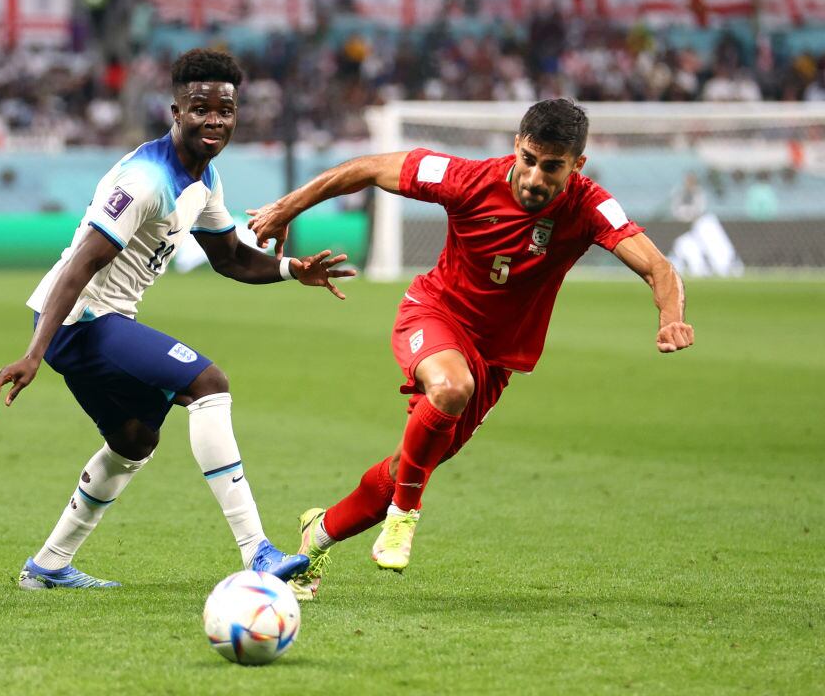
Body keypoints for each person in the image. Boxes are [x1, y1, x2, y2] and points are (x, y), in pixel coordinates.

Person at [247, 98, 695, 599]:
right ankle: (405, 516)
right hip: (435, 314)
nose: (534, 178)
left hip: (497, 359)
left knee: (406, 467)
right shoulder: (466, 177)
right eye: (528, 159)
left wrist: (671, 318)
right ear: (516, 148)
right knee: (449, 387)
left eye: (552, 167)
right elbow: (368, 168)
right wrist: (286, 207)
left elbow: (658, 266)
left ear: (577, 166)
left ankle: (319, 534)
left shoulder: (590, 207)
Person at [0, 49, 355, 590]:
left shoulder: (204, 179)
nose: (215, 121)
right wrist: (34, 352)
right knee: (209, 383)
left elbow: (229, 258)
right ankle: (260, 553)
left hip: (97, 320)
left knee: (134, 439)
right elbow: (82, 261)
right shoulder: (145, 179)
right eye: (200, 108)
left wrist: (292, 269)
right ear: (175, 111)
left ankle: (48, 566)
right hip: (77, 320)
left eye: (225, 110)